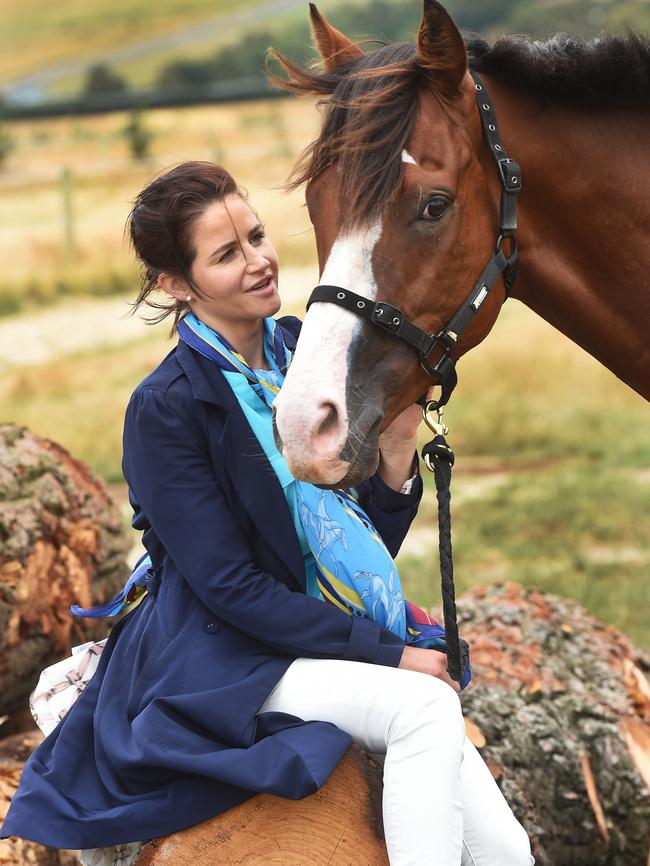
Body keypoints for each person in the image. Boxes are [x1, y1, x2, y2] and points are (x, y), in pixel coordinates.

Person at [1, 162, 534, 866]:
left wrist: (399, 455)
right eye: (226, 255)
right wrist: (392, 654)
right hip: (225, 655)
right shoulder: (167, 409)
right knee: (422, 705)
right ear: (176, 284)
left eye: (255, 236)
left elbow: (357, 544)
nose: (258, 261)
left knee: (507, 853)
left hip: (301, 638)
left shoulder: (300, 357)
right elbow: (228, 587)